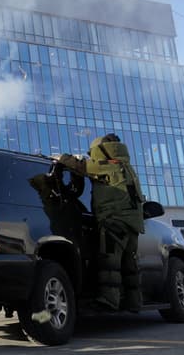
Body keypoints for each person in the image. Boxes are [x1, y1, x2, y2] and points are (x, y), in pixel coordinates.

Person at [56, 133, 145, 312]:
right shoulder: (126, 167)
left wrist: (63, 158)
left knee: (110, 262)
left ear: (101, 151)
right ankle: (134, 303)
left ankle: (109, 300)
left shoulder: (107, 165)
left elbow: (81, 167)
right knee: (130, 265)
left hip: (114, 221)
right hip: (132, 224)